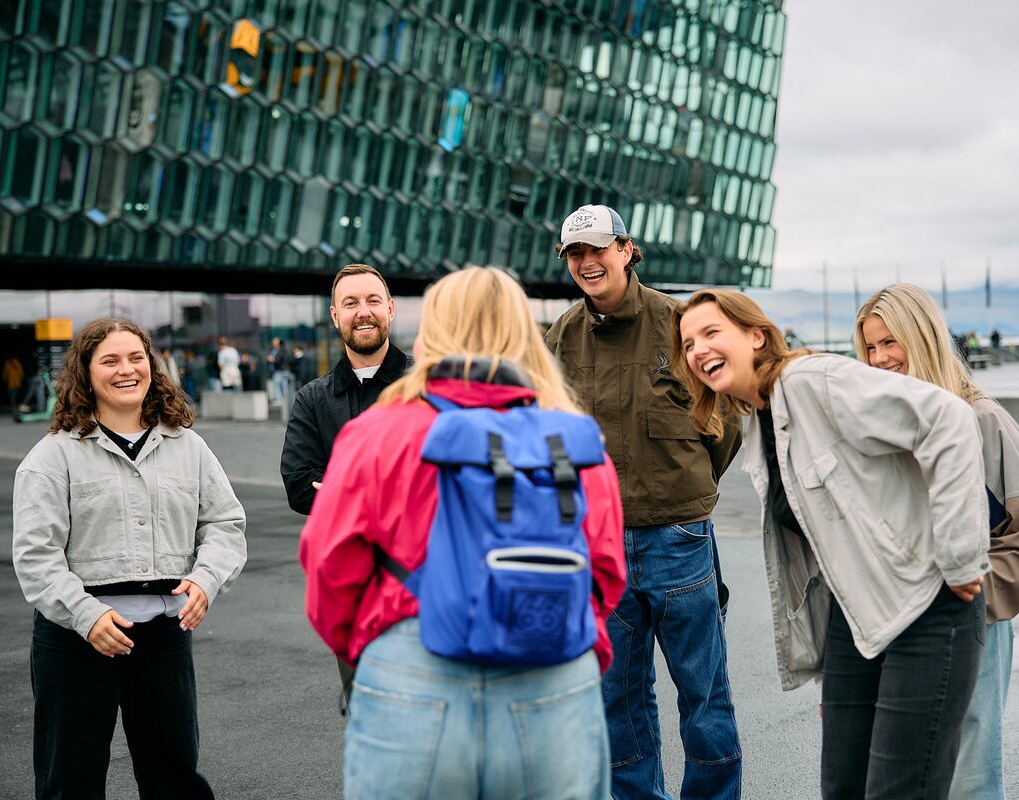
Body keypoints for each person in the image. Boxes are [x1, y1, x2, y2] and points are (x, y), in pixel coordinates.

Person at [299, 267, 626, 799]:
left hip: (412, 671)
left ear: (432, 330)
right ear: (521, 331)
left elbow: (329, 569)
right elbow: (606, 574)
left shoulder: (377, 433)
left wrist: (374, 650)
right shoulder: (574, 437)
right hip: (552, 670)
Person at [673, 289, 990, 800]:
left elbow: (949, 420)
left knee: (899, 789)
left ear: (756, 335)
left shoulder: (811, 381)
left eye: (712, 332)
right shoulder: (759, 418)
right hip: (857, 618)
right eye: (688, 343)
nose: (698, 349)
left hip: (928, 605)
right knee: (842, 787)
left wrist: (960, 557)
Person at [544, 205, 743, 799]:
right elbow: (550, 435)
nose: (586, 262)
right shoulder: (560, 336)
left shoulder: (680, 323)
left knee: (705, 700)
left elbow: (724, 420)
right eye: (574, 254)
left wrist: (684, 489)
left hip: (678, 539)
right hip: (598, 546)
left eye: (597, 249)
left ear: (627, 249)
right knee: (617, 704)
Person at [12, 318, 247, 799]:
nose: (127, 369)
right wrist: (86, 614)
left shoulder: (190, 448)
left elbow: (225, 524)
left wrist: (205, 580)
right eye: (110, 360)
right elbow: (36, 556)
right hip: (76, 640)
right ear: (85, 371)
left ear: (153, 365)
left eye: (136, 357)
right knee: (69, 780)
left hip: (163, 638)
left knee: (174, 776)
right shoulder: (52, 457)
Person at [855, 284, 1019, 800]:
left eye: (890, 342)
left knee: (970, 777)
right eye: (870, 348)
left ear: (924, 337)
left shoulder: (983, 420)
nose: (879, 359)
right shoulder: (886, 426)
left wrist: (965, 596)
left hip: (971, 623)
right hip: (898, 624)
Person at [281, 264, 413, 701]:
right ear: (335, 316)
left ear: (390, 310)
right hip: (353, 588)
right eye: (351, 303)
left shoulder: (426, 385)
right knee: (370, 717)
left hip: (431, 581)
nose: (364, 312)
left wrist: (341, 489)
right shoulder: (313, 399)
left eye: (373, 301)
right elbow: (300, 485)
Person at [268, 336, 292, 401]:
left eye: (274, 342)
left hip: (282, 370)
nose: (273, 344)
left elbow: (280, 360)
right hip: (279, 370)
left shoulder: (282, 350)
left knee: (280, 385)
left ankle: (281, 400)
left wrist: (273, 360)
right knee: (282, 385)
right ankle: (284, 400)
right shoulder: (274, 350)